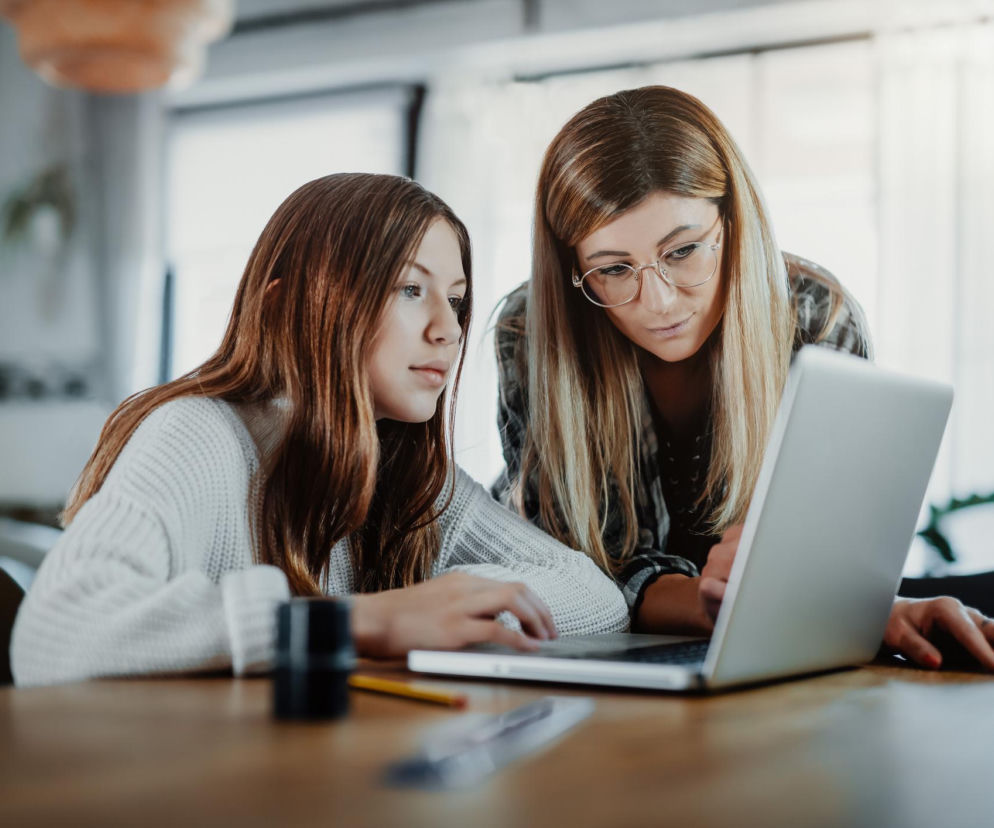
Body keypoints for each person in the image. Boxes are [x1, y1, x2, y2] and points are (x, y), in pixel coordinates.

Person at [11, 173, 628, 687]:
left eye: (458, 299)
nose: (449, 329)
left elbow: (598, 599)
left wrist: (454, 602)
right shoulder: (197, 434)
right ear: (289, 305)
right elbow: (54, 635)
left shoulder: (409, 476)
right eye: (411, 289)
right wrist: (357, 621)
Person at [493, 85, 994, 671]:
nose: (657, 302)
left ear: (735, 224)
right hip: (603, 666)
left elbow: (828, 562)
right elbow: (577, 574)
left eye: (682, 252)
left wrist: (814, 600)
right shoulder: (532, 333)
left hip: (775, 658)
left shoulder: (813, 318)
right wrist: (737, 604)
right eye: (612, 269)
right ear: (572, 267)